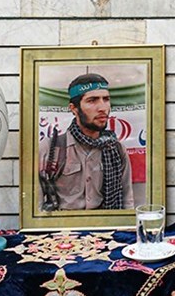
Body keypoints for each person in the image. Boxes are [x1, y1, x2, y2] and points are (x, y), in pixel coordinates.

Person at [38, 73, 134, 211]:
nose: (103, 108)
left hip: (107, 222)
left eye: (106, 99)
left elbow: (127, 201)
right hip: (63, 224)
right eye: (92, 100)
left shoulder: (116, 150)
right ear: (74, 108)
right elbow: (35, 207)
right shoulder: (50, 148)